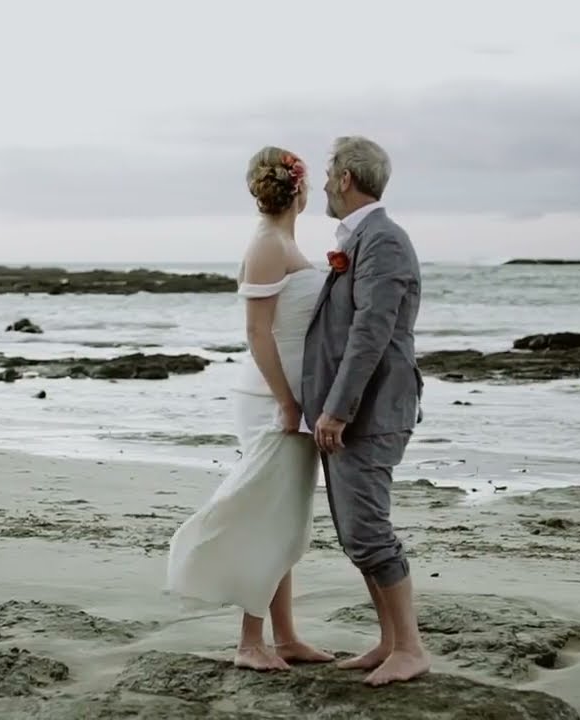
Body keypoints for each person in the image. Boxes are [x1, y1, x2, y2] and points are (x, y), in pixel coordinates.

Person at [165, 146, 334, 671]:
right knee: (267, 518)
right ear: (298, 189)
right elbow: (256, 332)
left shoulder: (283, 241)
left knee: (285, 523)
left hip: (292, 398)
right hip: (270, 400)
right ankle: (249, 643)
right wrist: (286, 401)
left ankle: (285, 637)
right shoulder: (266, 244)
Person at [301, 135, 430, 686]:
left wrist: (337, 410)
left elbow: (370, 333)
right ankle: (389, 641)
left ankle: (412, 649)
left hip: (371, 411)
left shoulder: (384, 241)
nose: (326, 185)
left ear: (347, 178)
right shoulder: (364, 238)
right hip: (354, 411)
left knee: (370, 532)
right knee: (357, 534)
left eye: (330, 173)